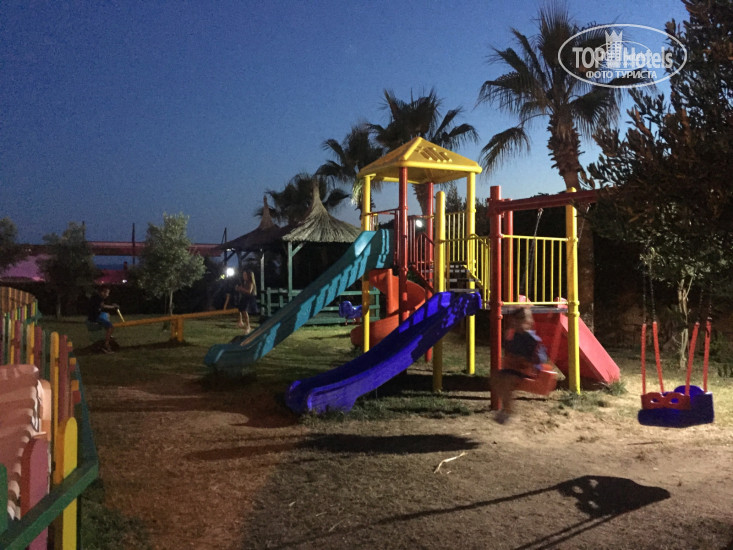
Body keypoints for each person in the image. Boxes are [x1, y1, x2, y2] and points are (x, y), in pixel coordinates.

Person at [491, 307, 548, 424]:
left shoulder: (532, 339)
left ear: (529, 322)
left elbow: (541, 357)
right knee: (495, 377)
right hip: (514, 368)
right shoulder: (514, 336)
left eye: (521, 319)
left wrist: (534, 362)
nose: (517, 322)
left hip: (526, 370)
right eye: (515, 320)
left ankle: (507, 411)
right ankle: (506, 408)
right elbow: (511, 352)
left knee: (507, 381)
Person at [224, 270, 258, 335]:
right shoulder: (244, 282)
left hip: (249, 298)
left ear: (248, 276)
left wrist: (241, 289)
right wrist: (238, 289)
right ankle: (241, 322)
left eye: (245, 275)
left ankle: (248, 326)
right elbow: (243, 290)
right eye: (243, 275)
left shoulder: (250, 282)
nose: (243, 276)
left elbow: (249, 291)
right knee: (240, 310)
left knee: (244, 311)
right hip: (244, 298)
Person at [88, 286, 120, 353]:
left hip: (94, 315)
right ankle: (106, 344)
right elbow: (103, 306)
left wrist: (112, 306)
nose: (107, 295)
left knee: (106, 315)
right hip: (94, 317)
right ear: (102, 292)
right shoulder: (98, 298)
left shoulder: (97, 297)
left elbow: (102, 306)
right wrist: (113, 307)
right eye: (107, 293)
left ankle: (108, 334)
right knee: (111, 327)